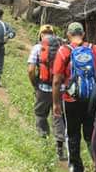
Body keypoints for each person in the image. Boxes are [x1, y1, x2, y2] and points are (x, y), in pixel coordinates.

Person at [51, 22, 96, 172]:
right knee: (91, 135)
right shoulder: (95, 50)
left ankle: (76, 171)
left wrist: (56, 103)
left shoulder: (64, 51)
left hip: (71, 99)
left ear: (68, 35)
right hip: (91, 99)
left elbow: (56, 80)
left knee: (72, 135)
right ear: (83, 34)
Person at [27, 24, 68, 160]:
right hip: (60, 90)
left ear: (41, 35)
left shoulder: (38, 48)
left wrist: (35, 85)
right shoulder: (63, 48)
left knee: (40, 114)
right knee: (59, 117)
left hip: (43, 88)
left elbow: (31, 70)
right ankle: (60, 149)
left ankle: (44, 142)